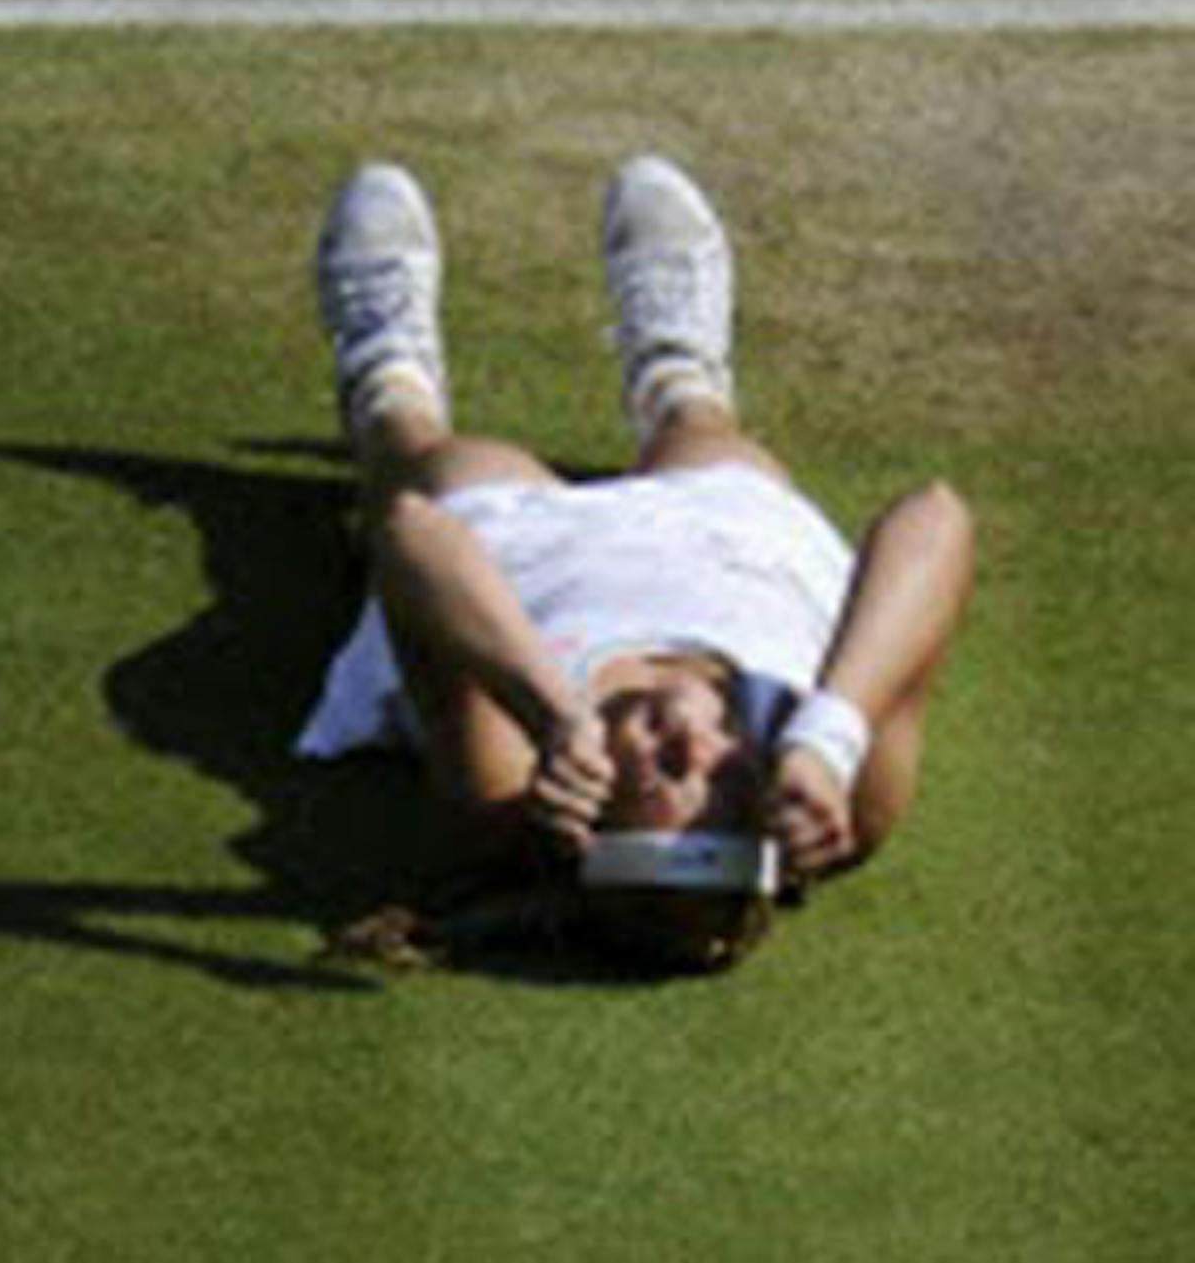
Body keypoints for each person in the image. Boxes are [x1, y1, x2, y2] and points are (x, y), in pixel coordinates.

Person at [296, 155, 974, 972]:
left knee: (439, 469)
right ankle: (678, 366)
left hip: (514, 561)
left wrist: (551, 712)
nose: (691, 741)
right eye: (725, 786)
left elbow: (413, 538)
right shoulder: (834, 798)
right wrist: (830, 737)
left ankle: (388, 370)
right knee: (711, 444)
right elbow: (936, 520)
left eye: (657, 779)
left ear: (587, 811)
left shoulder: (505, 784)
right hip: (729, 542)